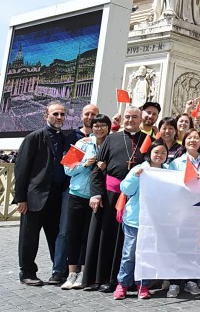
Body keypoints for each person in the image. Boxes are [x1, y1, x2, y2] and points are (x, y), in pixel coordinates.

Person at [84, 107, 151, 292]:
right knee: (108, 235)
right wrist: (96, 194)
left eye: (134, 117)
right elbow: (97, 168)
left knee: (128, 240)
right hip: (110, 194)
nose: (130, 120)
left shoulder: (147, 139)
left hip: (136, 195)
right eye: (127, 117)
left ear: (140, 119)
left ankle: (126, 281)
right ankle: (103, 278)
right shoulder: (112, 139)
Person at [14, 101, 70, 286]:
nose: (59, 117)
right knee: (29, 236)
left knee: (56, 235)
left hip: (57, 196)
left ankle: (58, 270)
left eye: (62, 114)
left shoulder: (66, 138)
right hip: (35, 197)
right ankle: (27, 272)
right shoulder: (34, 137)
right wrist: (20, 197)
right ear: (46, 116)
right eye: (55, 114)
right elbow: (21, 169)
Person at [61, 114, 110, 290]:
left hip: (97, 198)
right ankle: (72, 273)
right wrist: (85, 164)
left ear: (108, 128)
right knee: (73, 235)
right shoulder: (81, 144)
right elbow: (67, 169)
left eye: (103, 125)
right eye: (96, 125)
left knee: (88, 237)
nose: (99, 129)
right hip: (76, 195)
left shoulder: (109, 144)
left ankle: (84, 273)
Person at [113, 143, 168, 300]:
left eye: (163, 153)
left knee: (148, 254)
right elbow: (126, 189)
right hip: (135, 220)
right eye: (156, 151)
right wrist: (136, 176)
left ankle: (143, 285)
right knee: (129, 254)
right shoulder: (139, 169)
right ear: (150, 153)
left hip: (154, 221)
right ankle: (122, 284)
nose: (160, 155)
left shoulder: (167, 172)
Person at [165, 129, 200, 297]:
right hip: (181, 209)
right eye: (190, 138)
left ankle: (191, 280)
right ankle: (174, 282)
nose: (193, 140)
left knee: (195, 245)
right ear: (184, 141)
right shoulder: (176, 163)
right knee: (178, 245)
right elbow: (170, 185)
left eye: (196, 138)